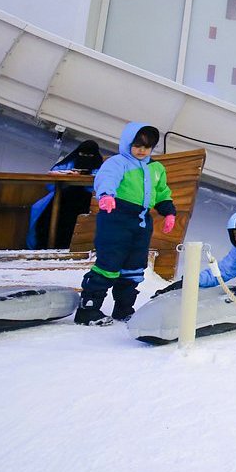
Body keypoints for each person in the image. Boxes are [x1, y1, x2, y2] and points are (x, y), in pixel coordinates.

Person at [75, 123, 175, 325]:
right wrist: (106, 196)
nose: (141, 150)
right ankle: (88, 310)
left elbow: (162, 192)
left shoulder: (156, 168)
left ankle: (123, 309)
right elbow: (107, 179)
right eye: (137, 145)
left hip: (140, 222)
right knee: (109, 263)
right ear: (127, 143)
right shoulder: (118, 162)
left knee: (134, 267)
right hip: (115, 217)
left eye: (147, 147)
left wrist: (169, 212)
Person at [27, 139, 104, 248]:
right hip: (61, 198)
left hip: (87, 201)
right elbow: (51, 180)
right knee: (43, 215)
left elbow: (102, 184)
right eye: (82, 154)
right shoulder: (68, 163)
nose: (85, 157)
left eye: (89, 155)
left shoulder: (101, 168)